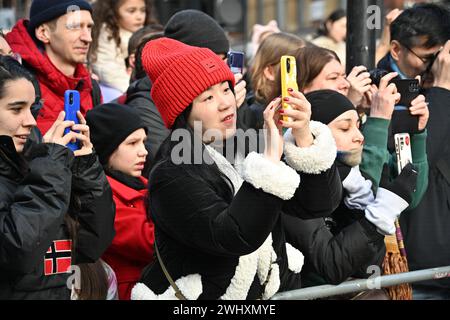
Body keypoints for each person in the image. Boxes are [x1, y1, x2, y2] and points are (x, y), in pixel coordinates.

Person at [131, 37, 342, 300]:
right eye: (208, 97)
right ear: (183, 112)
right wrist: (270, 161)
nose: (225, 103)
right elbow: (233, 236)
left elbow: (317, 205)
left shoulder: (247, 145)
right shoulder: (171, 172)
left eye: (226, 89)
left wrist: (303, 137)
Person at [0, 56, 115, 299]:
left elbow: (91, 243)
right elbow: (16, 251)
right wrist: (50, 165)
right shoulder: (45, 168)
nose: (30, 121)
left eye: (32, 109)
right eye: (16, 109)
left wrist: (85, 167)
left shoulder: (38, 162)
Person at [285, 89, 419, 288]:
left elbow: (366, 269)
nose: (359, 137)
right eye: (345, 128)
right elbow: (331, 267)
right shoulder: (292, 183)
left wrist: (360, 209)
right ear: (314, 133)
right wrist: (379, 215)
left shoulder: (352, 181)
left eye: (358, 126)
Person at [376, 3, 450, 299]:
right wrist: (442, 90)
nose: (436, 64)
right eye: (428, 57)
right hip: (418, 269)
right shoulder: (379, 92)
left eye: (441, 56)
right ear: (397, 50)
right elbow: (416, 166)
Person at [124, 9, 247, 176]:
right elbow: (168, 159)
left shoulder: (227, 99)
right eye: (209, 97)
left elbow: (243, 158)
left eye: (224, 59)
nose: (220, 67)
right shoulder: (145, 104)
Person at [86, 103, 155, 300]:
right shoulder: (100, 198)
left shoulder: (144, 184)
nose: (144, 151)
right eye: (132, 143)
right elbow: (151, 242)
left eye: (144, 142)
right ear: (106, 148)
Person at [5, 0, 101, 135]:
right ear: (43, 33)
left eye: (89, 27)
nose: (87, 37)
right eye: (75, 26)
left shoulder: (91, 87)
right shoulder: (16, 84)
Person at [89, 0, 154, 99]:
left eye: (143, 10)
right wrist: (135, 92)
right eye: (131, 11)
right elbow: (109, 71)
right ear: (114, 12)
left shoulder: (150, 32)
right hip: (119, 90)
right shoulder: (107, 34)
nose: (139, 17)